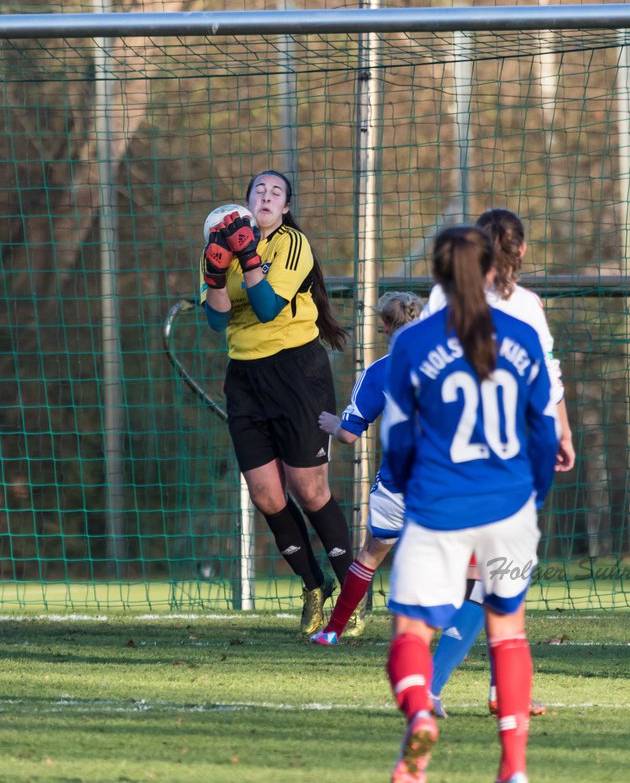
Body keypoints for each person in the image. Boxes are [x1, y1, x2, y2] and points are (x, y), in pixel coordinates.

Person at [382, 225, 558, 783]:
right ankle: (513, 769)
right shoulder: (523, 335)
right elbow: (544, 434)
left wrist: (414, 495)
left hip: (438, 507)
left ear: (436, 275)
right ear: (492, 272)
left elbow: (399, 438)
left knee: (410, 634)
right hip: (509, 511)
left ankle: (419, 715)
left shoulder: (409, 344)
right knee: (508, 633)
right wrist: (530, 500)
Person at [422, 208, 574, 718]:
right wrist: (562, 429)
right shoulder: (527, 305)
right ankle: (438, 685)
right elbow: (547, 375)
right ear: (521, 251)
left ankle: (496, 691)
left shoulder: (444, 295)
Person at [200, 169, 353, 638]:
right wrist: (214, 270)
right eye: (258, 191)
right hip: (245, 377)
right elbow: (215, 319)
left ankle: (353, 594)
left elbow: (267, 308)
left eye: (276, 193)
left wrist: (247, 256)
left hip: (297, 373)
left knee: (309, 491)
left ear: (286, 207)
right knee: (266, 495)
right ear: (246, 203)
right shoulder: (220, 243)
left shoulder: (291, 244)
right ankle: (314, 586)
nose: (266, 197)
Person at [307, 291, 425, 644]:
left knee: (371, 555)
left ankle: (332, 631)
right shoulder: (451, 364)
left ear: (385, 327)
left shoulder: (380, 372)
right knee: (462, 556)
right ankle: (463, 630)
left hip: (397, 483)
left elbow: (347, 435)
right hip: (445, 481)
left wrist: (332, 424)